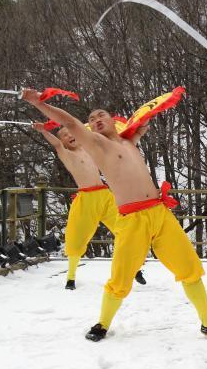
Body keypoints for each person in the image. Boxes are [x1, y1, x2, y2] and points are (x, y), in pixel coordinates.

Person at [21, 89, 207, 342]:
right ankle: (102, 324)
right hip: (132, 219)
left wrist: (145, 120)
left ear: (112, 120)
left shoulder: (129, 141)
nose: (96, 119)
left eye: (101, 115)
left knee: (189, 269)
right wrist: (38, 103)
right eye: (91, 118)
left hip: (159, 213)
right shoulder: (96, 145)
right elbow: (70, 123)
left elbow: (141, 123)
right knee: (120, 279)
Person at [32, 122, 146, 290]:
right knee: (76, 238)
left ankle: (134, 269)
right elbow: (56, 144)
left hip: (105, 196)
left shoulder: (88, 149)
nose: (70, 136)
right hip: (86, 200)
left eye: (71, 133)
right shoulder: (66, 154)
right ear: (62, 141)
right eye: (65, 136)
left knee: (125, 229)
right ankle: (71, 277)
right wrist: (43, 131)